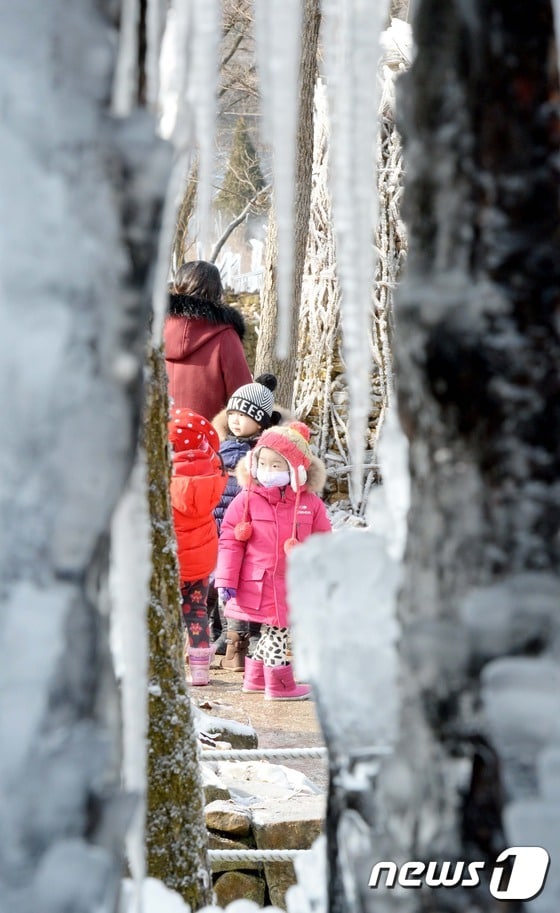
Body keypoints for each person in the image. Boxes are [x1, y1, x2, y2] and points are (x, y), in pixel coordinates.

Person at [214, 421, 332, 700]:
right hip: (257, 582)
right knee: (277, 632)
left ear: (295, 470)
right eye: (263, 463)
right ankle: (280, 685)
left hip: (291, 583)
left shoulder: (310, 504)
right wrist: (225, 579)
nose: (267, 471)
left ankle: (255, 678)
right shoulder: (246, 500)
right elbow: (231, 540)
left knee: (273, 630)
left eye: (276, 465)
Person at [210, 373, 285, 671]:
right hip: (219, 524)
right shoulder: (221, 447)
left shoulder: (265, 454)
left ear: (262, 421)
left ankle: (252, 636)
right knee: (220, 582)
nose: (236, 420)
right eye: (233, 414)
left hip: (252, 529)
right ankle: (224, 633)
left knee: (250, 584)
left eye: (245, 415)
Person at [168, 407, 227, 686]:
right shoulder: (215, 471)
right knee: (197, 611)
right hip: (202, 557)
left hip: (171, 558)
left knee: (164, 607)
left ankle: (165, 661)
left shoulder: (163, 476)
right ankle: (201, 670)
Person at [164, 260, 253, 420]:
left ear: (177, 287)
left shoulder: (152, 333)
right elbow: (244, 397)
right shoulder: (225, 336)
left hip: (160, 438)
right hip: (209, 440)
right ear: (217, 292)